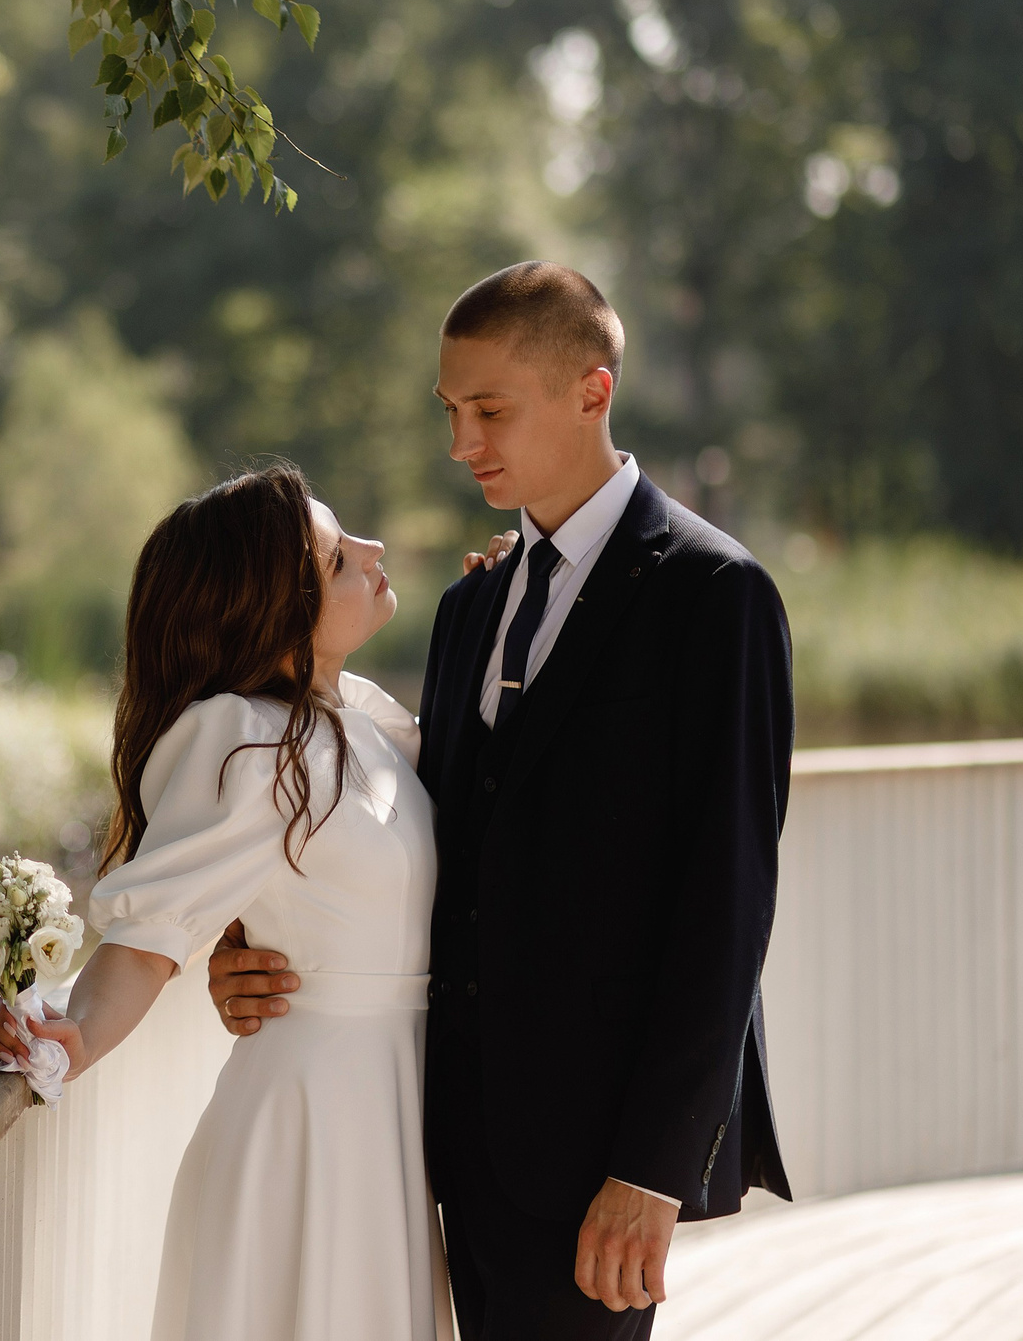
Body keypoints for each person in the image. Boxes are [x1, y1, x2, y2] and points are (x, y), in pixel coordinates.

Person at [210, 262, 795, 1339]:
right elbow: (423, 832)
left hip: (595, 1165)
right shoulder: (470, 604)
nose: (461, 442)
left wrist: (652, 1170)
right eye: (450, 411)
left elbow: (727, 904)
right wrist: (244, 931)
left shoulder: (715, 597)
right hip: (436, 1142)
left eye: (489, 409)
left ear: (591, 389)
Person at [0, 463, 452, 1341]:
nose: (375, 552)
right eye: (341, 556)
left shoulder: (369, 722)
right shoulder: (242, 741)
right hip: (312, 1126)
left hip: (397, 1112)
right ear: (274, 615)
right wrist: (71, 1042)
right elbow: (151, 939)